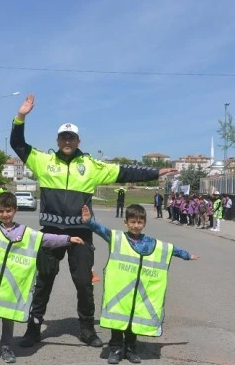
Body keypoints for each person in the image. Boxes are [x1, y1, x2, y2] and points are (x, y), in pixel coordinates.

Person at [10, 93, 177, 348]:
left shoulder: (90, 165)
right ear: (57, 140)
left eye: (71, 138)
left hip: (81, 232)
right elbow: (18, 144)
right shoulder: (43, 161)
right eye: (63, 137)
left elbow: (124, 171)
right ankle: (33, 329)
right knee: (43, 281)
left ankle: (87, 328)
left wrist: (155, 172)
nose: (67, 141)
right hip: (51, 232)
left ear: (78, 140)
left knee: (84, 284)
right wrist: (21, 116)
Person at [0, 166, 85, 364]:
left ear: (15, 210)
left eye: (8, 211)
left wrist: (67, 239)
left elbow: (46, 239)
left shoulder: (25, 233)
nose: (5, 214)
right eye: (1, 211)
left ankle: (6, 348)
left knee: (8, 318)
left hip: (10, 289)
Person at [81, 204, 200, 364]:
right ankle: (116, 349)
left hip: (138, 294)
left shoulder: (150, 243)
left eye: (139, 222)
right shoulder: (117, 238)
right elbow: (102, 231)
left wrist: (186, 255)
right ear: (126, 223)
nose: (136, 226)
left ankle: (130, 349)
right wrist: (89, 222)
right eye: (132, 222)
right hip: (120, 292)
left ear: (144, 223)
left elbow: (168, 249)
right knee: (118, 321)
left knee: (133, 323)